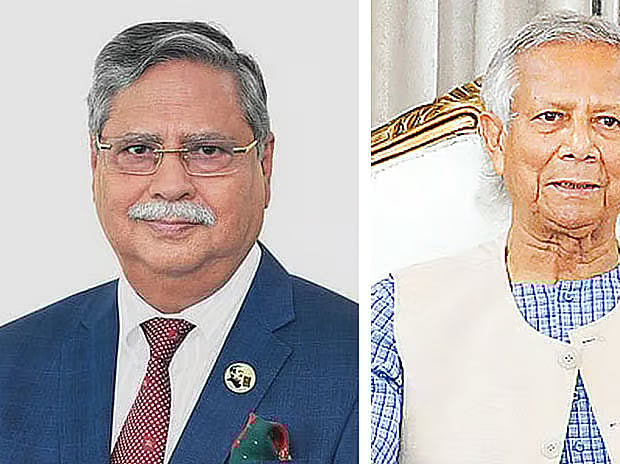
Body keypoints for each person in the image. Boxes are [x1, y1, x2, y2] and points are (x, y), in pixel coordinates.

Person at [369, 11, 620, 464]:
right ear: (497, 140)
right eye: (551, 117)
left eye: (609, 122)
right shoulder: (397, 313)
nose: (581, 146)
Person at [0, 21, 357, 463]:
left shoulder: (358, 362)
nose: (171, 185)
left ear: (264, 165)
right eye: (138, 150)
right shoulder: (11, 361)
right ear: (96, 166)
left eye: (207, 151)